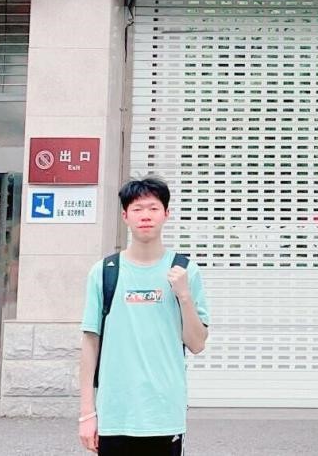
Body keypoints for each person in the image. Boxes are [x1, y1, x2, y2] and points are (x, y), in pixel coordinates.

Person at [78, 177, 210, 455]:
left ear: (166, 213)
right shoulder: (104, 272)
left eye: (153, 208)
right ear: (125, 216)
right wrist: (87, 413)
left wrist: (184, 296)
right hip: (115, 414)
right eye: (137, 209)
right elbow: (90, 343)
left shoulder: (186, 271)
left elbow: (197, 344)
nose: (146, 216)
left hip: (164, 414)